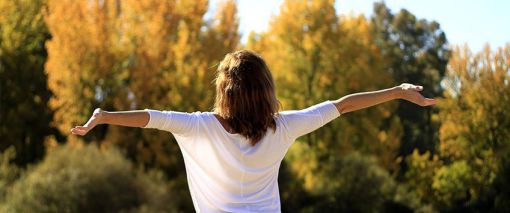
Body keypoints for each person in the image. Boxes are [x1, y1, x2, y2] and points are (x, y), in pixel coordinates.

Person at [71, 50, 435, 212]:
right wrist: (397, 93)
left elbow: (152, 117)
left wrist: (104, 116)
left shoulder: (199, 127)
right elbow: (344, 105)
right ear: (267, 91)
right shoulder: (285, 127)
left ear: (223, 92)